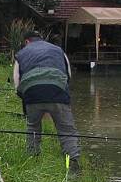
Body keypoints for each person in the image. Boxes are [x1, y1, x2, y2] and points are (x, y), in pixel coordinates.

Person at [12, 31, 81, 173]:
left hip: (32, 91)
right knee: (66, 130)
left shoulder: (21, 54)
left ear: (27, 42)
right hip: (57, 90)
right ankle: (72, 163)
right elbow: (68, 75)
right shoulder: (58, 50)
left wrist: (25, 97)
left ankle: (33, 159)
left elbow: (17, 81)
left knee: (33, 127)